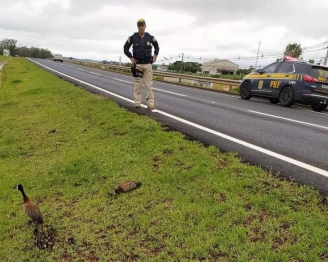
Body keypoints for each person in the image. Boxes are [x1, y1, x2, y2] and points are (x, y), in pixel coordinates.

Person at [124, 19, 160, 110]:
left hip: (148, 64)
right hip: (138, 65)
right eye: (139, 25)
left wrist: (155, 55)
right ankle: (137, 102)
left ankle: (150, 104)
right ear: (137, 27)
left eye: (142, 25)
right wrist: (131, 57)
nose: (141, 27)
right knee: (138, 84)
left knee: (149, 84)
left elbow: (157, 46)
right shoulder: (133, 37)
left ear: (145, 26)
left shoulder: (150, 37)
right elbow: (125, 48)